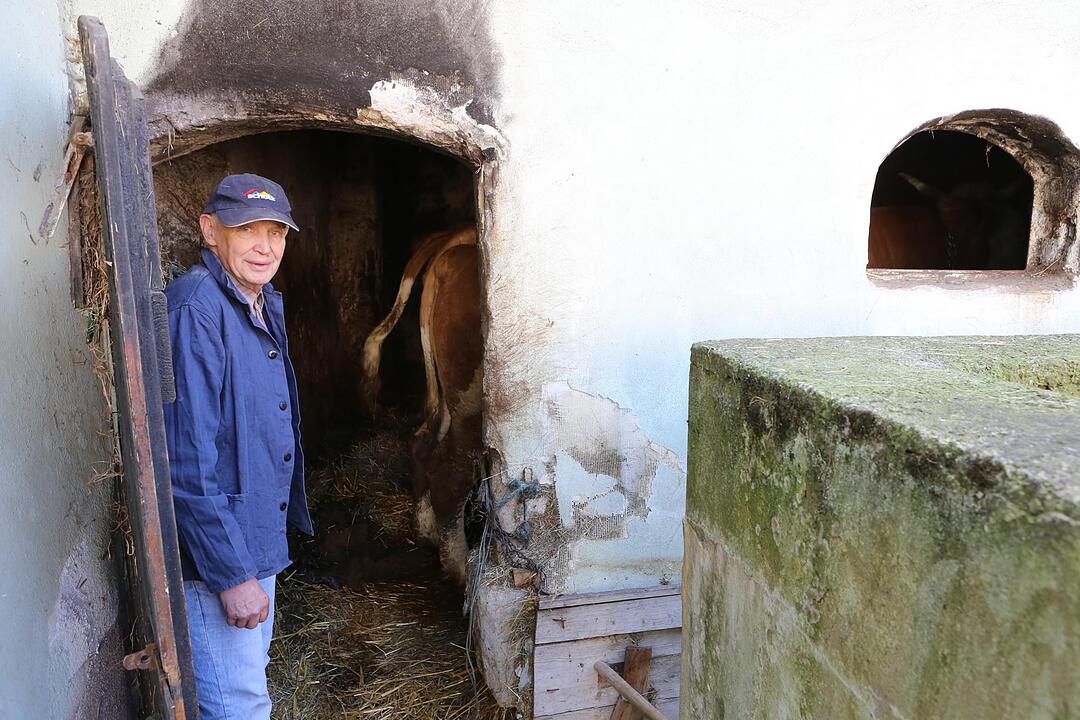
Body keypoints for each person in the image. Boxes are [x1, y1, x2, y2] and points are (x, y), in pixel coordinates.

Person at [163, 173, 313, 719]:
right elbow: (185, 462)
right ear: (210, 230)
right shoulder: (196, 310)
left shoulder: (256, 303)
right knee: (238, 707)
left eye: (276, 232)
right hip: (217, 558)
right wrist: (231, 574)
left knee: (245, 692)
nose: (264, 246)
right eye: (247, 229)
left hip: (251, 537)